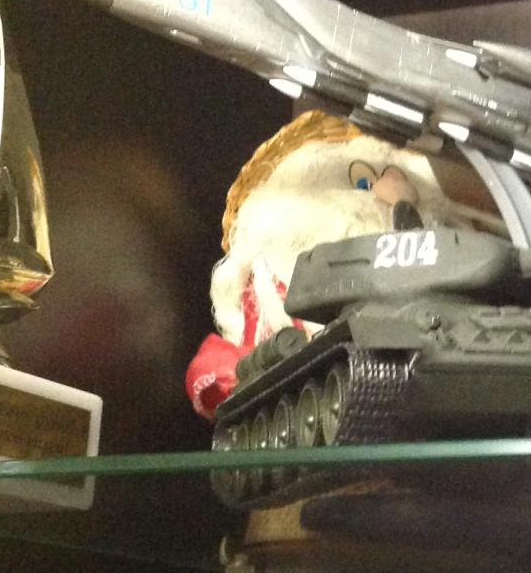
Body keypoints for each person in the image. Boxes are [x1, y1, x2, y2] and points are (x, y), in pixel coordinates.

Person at [184, 110, 476, 418]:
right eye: (363, 182)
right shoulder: (277, 261)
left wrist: (405, 207)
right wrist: (402, 205)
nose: (382, 191)